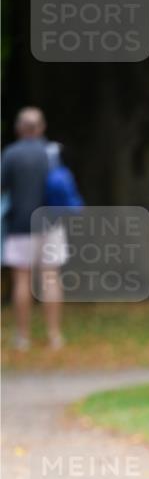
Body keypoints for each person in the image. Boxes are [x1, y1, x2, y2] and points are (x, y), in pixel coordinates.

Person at [1, 107, 67, 351]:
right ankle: (54, 335)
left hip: (19, 224)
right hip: (50, 223)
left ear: (19, 128)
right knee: (50, 277)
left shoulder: (10, 154)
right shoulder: (51, 152)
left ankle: (23, 337)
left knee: (21, 279)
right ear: (41, 128)